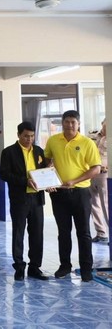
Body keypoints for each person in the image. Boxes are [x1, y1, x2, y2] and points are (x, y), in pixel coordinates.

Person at [45, 110, 101, 282]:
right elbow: (47, 160)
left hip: (80, 193)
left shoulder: (87, 143)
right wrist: (47, 178)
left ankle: (86, 269)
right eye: (67, 122)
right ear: (62, 123)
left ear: (78, 124)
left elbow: (96, 168)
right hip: (59, 194)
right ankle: (64, 266)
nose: (70, 125)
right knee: (63, 232)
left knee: (83, 232)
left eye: (73, 122)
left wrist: (75, 181)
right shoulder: (53, 140)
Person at [0, 121, 50, 281]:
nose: (29, 139)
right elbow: (4, 174)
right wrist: (25, 181)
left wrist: (49, 179)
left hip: (37, 199)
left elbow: (44, 172)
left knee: (37, 234)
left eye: (32, 136)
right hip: (19, 199)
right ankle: (19, 267)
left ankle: (35, 267)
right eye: (26, 136)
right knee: (18, 233)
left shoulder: (39, 151)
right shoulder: (9, 152)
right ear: (19, 135)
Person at [90, 119, 108, 244]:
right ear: (102, 124)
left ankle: (110, 232)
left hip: (104, 174)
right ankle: (101, 233)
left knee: (106, 205)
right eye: (105, 124)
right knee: (93, 204)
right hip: (90, 173)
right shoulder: (92, 136)